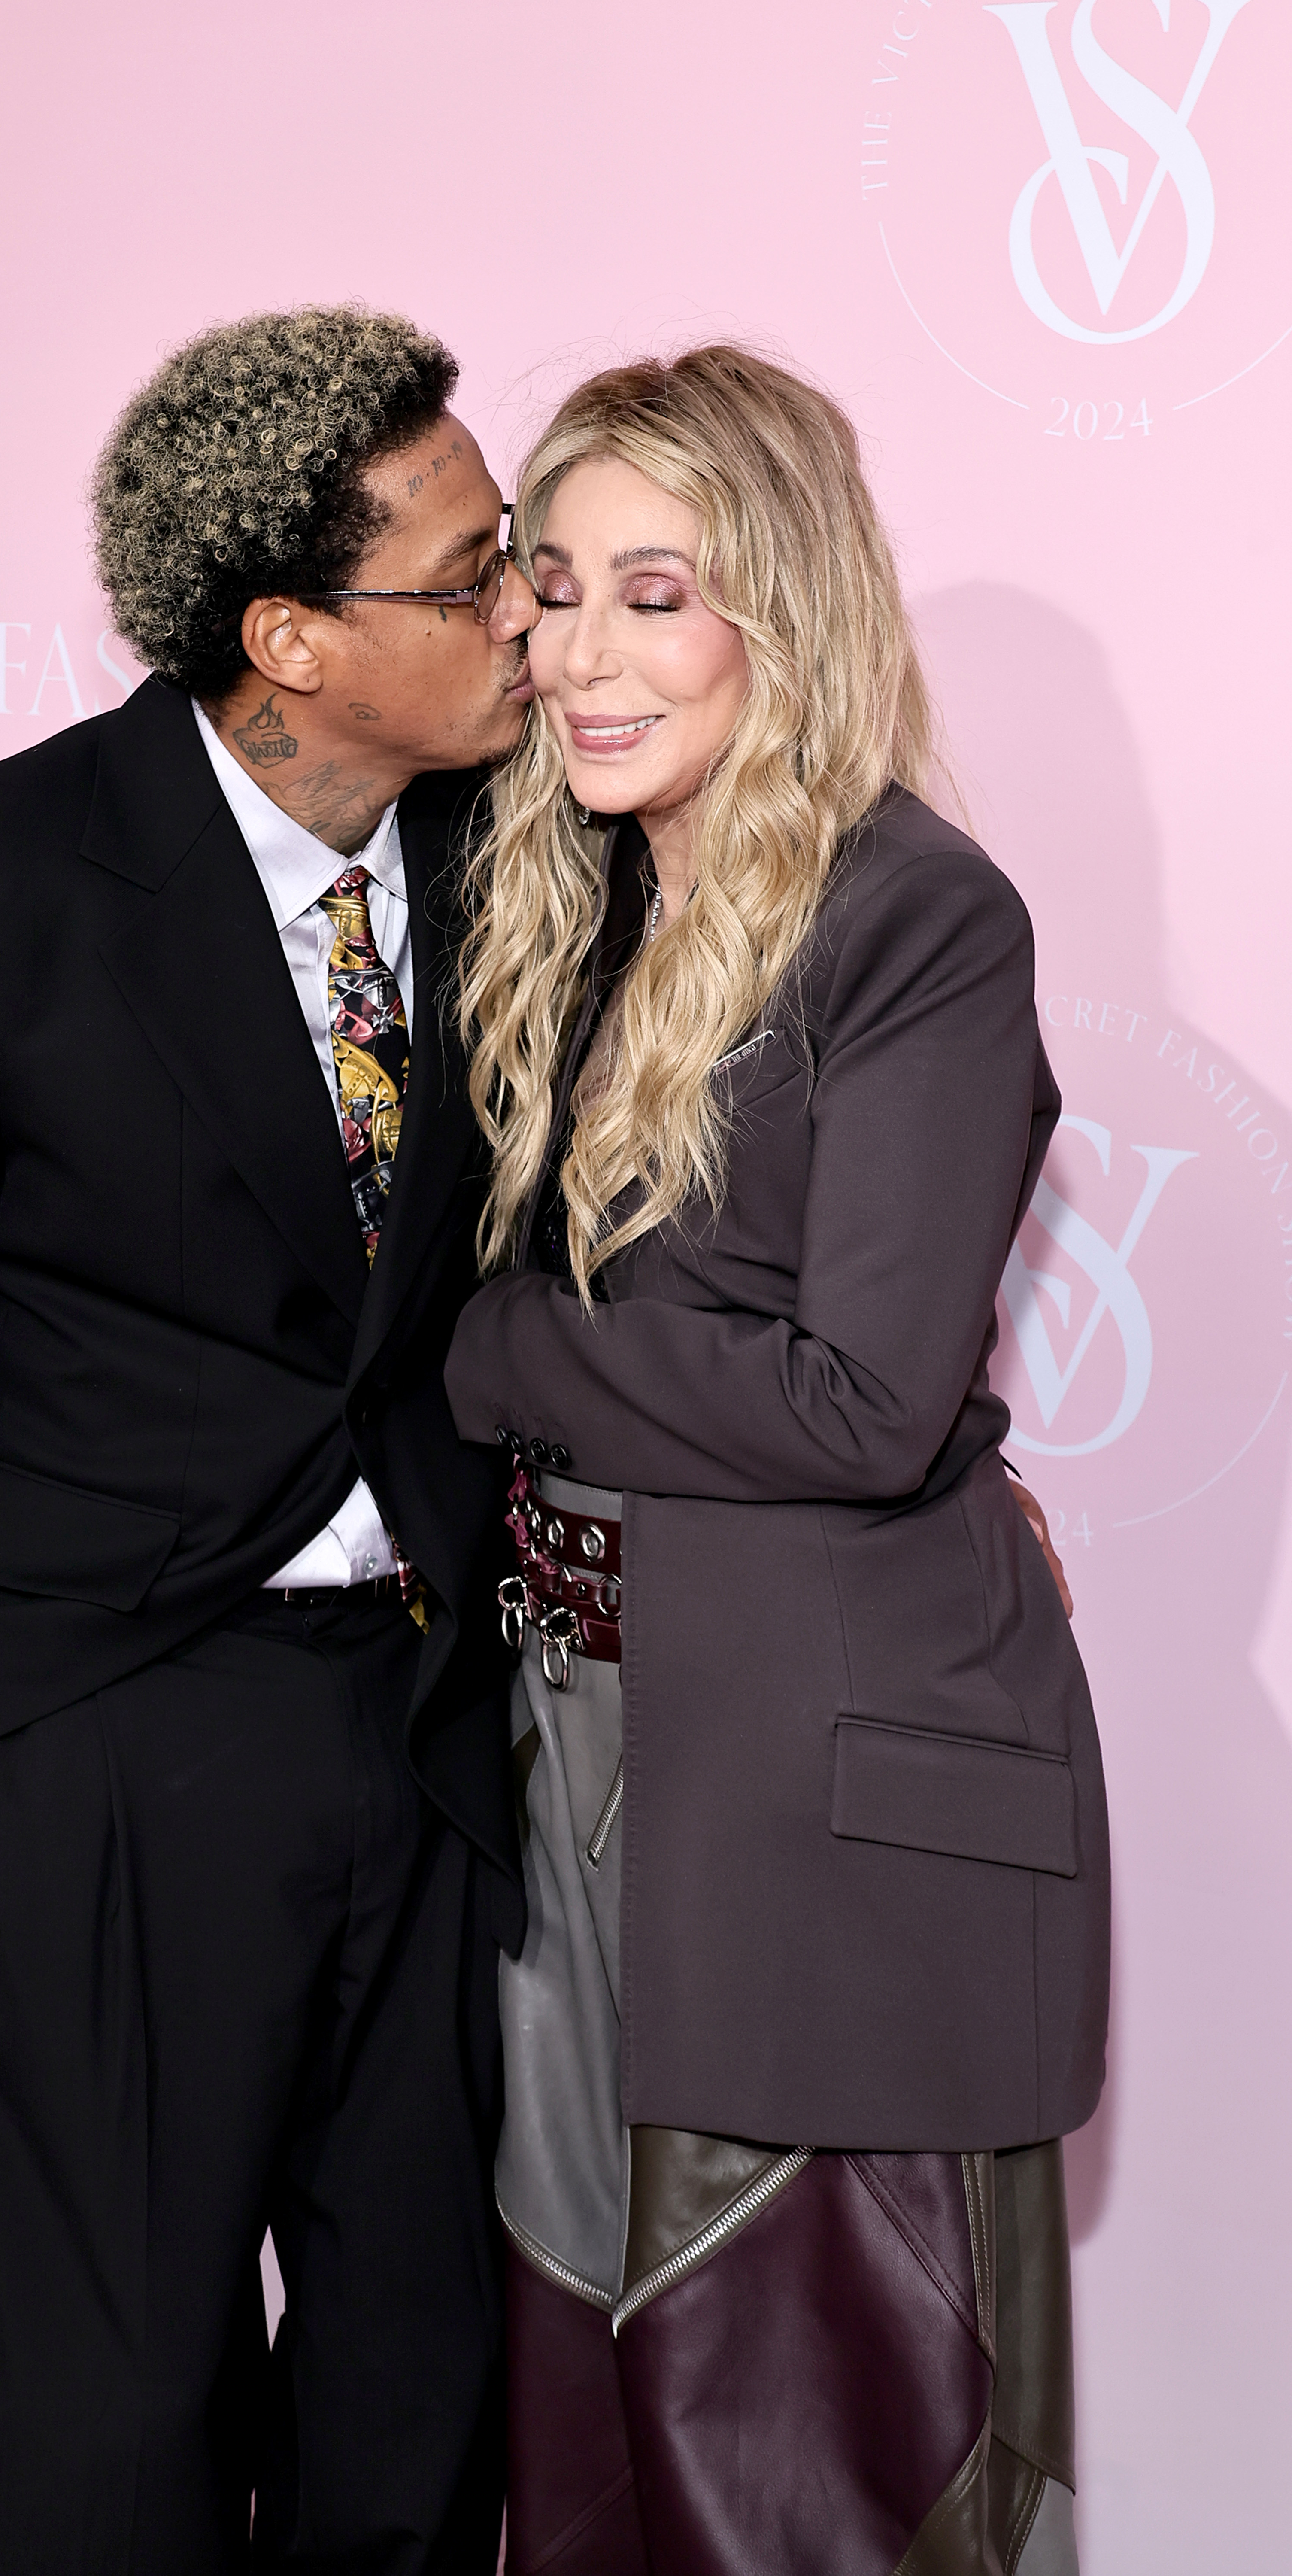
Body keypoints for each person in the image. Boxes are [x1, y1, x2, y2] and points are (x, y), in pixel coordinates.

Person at [0, 304, 546, 2575]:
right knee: (78, 2406)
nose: (526, 610)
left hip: (439, 1717)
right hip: (105, 1727)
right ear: (291, 637)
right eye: (473, 572)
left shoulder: (531, 865)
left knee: (423, 2368)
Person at [444, 345, 1108, 2576]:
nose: (586, 654)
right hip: (557, 1748)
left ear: (786, 610)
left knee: (795, 2464)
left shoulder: (919, 921)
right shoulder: (558, 904)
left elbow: (864, 1405)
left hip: (811, 1793)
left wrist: (501, 1352)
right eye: (556, 591)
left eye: (661, 591)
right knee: (576, 2430)